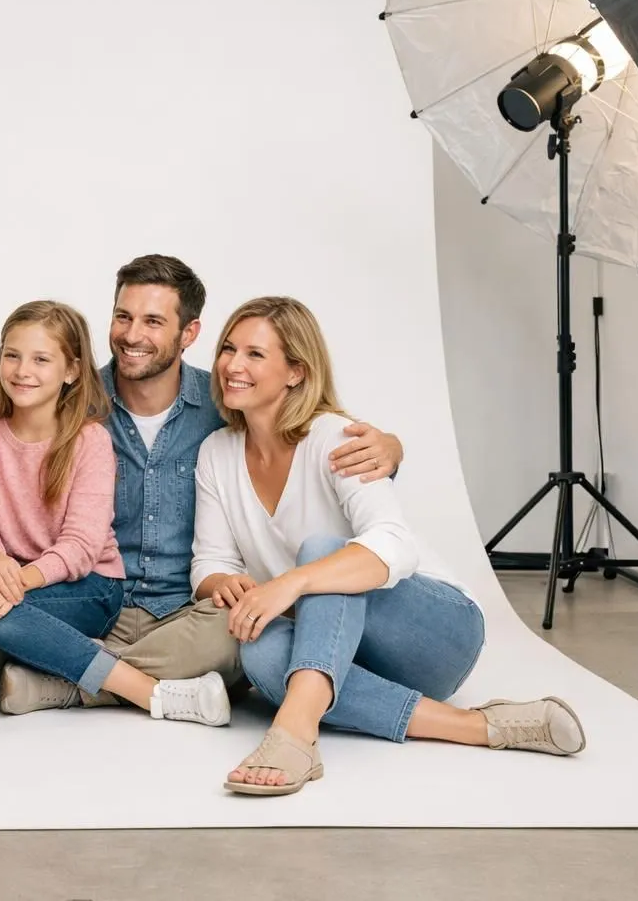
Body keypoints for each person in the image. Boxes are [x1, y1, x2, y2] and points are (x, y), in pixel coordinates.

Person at [0, 255, 405, 716]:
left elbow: (300, 430)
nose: (133, 334)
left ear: (189, 333)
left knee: (241, 636)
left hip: (179, 606)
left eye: (154, 322)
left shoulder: (227, 402)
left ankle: (62, 683)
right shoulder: (80, 401)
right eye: (123, 316)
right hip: (60, 597)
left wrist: (392, 448)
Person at [192, 295, 586, 797]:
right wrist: (224, 582)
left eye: (254, 354)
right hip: (339, 653)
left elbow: (394, 545)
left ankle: (292, 733)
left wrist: (291, 583)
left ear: (296, 371)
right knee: (261, 655)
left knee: (322, 552)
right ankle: (481, 727)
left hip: (433, 632)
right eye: (228, 349)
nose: (232, 365)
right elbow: (210, 561)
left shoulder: (338, 437)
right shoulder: (216, 453)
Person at [0, 300, 229, 724]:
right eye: (12, 356)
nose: (22, 371)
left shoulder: (88, 439)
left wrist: (17, 583)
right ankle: (135, 684)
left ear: (71, 371)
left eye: (41, 359)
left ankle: (135, 690)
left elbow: (81, 545)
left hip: (90, 588)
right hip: (14, 582)